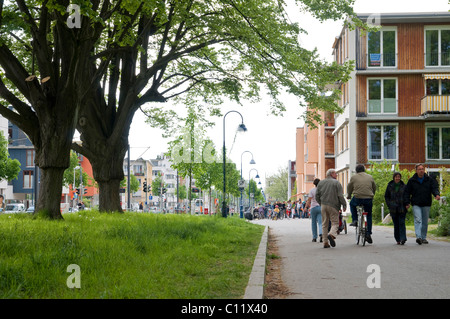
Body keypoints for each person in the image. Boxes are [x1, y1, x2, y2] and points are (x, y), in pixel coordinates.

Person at [404, 164, 440, 245]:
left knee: (424, 222)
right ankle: (419, 237)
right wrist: (407, 202)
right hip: (416, 203)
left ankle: (423, 238)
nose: (421, 171)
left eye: (422, 169)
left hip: (426, 203)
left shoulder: (429, 179)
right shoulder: (412, 180)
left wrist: (436, 194)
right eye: (419, 169)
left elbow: (434, 188)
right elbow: (407, 192)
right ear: (416, 170)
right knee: (418, 220)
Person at [316, 169, 347, 248]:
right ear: (332, 174)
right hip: (334, 205)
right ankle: (332, 234)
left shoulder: (320, 183)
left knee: (324, 224)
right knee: (335, 223)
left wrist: (321, 203)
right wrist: (344, 204)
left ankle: (325, 242)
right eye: (335, 174)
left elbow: (317, 195)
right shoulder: (336, 183)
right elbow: (340, 195)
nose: (336, 175)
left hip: (323, 205)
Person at [347, 164, 376, 244]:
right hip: (368, 198)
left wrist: (349, 195)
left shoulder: (354, 177)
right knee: (369, 215)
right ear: (364, 170)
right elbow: (374, 187)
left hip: (358, 198)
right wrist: (372, 194)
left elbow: (349, 187)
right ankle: (368, 233)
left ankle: (355, 220)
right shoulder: (370, 177)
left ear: (356, 171)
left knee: (352, 204)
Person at [385, 172, 407, 245]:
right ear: (394, 177)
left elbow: (407, 196)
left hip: (402, 208)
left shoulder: (404, 186)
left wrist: (407, 203)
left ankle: (403, 238)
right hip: (393, 208)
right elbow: (386, 196)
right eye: (396, 177)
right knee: (396, 224)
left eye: (399, 177)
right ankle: (397, 238)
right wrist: (389, 204)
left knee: (402, 223)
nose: (397, 178)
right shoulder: (390, 186)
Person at [306, 178, 322, 243]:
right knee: (321, 222)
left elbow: (309, 200)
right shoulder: (322, 190)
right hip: (321, 207)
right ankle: (321, 234)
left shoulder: (312, 190)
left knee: (313, 223)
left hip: (313, 208)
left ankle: (314, 237)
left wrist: (306, 207)